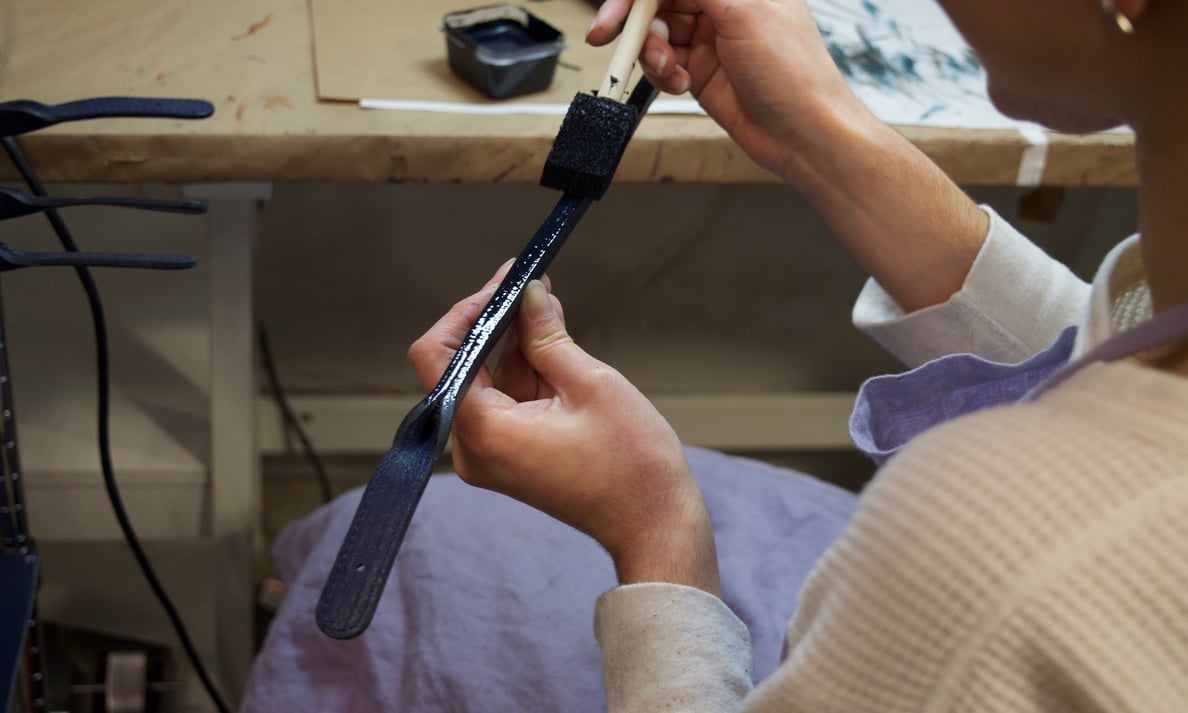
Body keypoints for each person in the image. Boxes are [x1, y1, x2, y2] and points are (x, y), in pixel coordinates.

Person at [407, 0, 1188, 710]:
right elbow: (1104, 355)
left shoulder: (988, 557)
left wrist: (659, 534)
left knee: (447, 541)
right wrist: (820, 130)